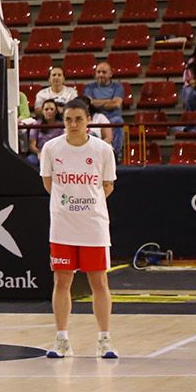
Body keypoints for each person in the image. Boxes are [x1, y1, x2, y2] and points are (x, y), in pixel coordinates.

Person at [41, 97, 119, 358]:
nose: (73, 124)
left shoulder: (102, 150)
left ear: (88, 121)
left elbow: (107, 186)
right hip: (62, 225)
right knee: (62, 280)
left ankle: (104, 340)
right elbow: (48, 184)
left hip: (93, 225)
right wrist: (69, 204)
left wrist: (86, 203)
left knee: (98, 280)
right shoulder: (51, 149)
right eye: (68, 119)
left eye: (78, 119)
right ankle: (61, 340)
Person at [82, 60, 127, 148]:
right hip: (95, 118)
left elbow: (116, 104)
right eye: (98, 72)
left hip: (112, 118)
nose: (101, 75)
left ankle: (116, 154)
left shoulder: (118, 87)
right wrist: (109, 101)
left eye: (104, 72)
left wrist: (96, 102)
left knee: (118, 122)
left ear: (110, 74)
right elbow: (89, 103)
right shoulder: (89, 87)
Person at [25, 100, 64, 166]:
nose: (49, 111)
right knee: (30, 160)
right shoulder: (36, 125)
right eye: (46, 109)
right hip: (40, 152)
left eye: (52, 109)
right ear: (42, 111)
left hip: (57, 154)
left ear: (56, 111)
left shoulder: (62, 126)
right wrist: (39, 153)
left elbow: (63, 145)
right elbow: (32, 145)